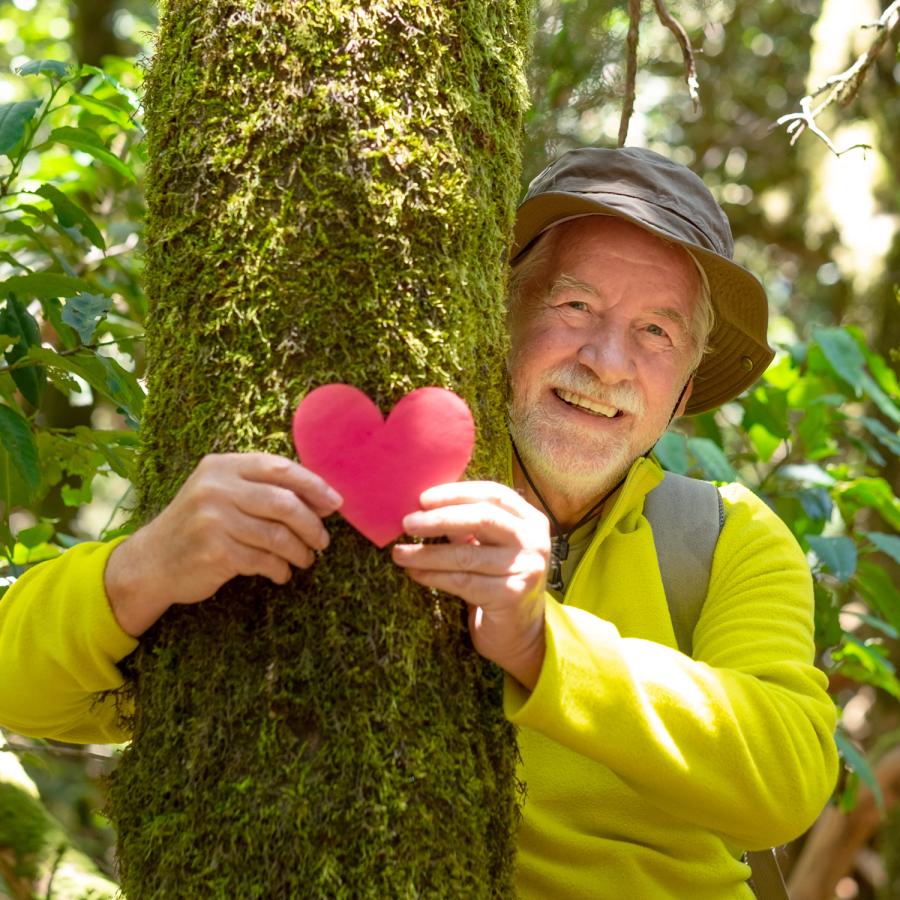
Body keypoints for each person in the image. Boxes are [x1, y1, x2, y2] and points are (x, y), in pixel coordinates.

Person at [0, 147, 837, 897]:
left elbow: (789, 783)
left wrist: (542, 645)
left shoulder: (726, 534)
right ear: (496, 317)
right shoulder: (380, 493)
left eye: (655, 332)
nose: (605, 360)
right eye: (575, 306)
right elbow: (18, 689)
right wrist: (141, 571)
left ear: (683, 395)